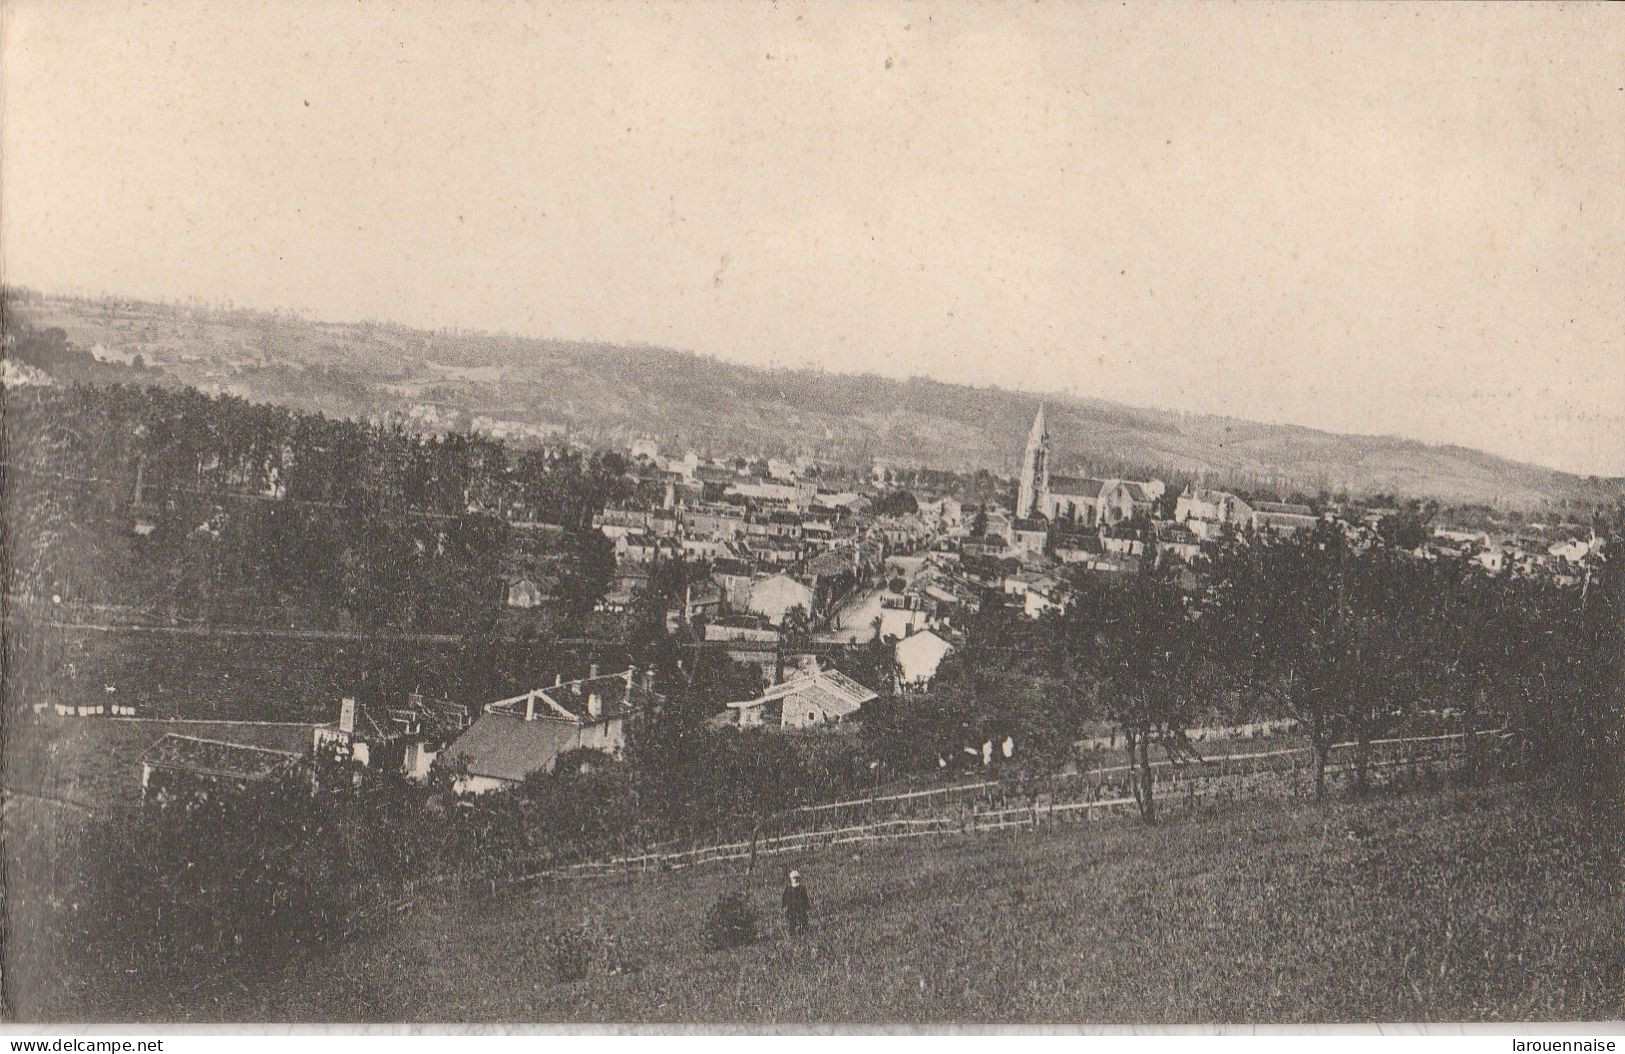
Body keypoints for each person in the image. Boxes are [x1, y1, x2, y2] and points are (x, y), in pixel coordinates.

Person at [781, 869, 811, 935]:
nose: (795, 879)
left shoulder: (802, 888)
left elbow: (805, 898)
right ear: (791, 879)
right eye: (794, 878)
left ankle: (802, 933)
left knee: (803, 921)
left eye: (797, 878)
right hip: (791, 908)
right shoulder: (788, 889)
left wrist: (807, 907)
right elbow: (784, 899)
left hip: (801, 908)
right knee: (792, 922)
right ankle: (792, 935)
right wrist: (783, 907)